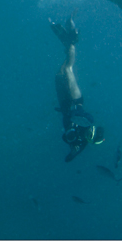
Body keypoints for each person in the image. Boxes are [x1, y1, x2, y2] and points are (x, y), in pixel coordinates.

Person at [50, 10, 105, 162]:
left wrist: (73, 151)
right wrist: (76, 118)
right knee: (68, 69)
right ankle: (71, 42)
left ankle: (69, 43)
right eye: (90, 133)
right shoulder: (89, 122)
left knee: (59, 75)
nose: (87, 134)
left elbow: (69, 157)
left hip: (64, 103)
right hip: (75, 100)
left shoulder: (80, 144)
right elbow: (84, 116)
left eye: (89, 137)